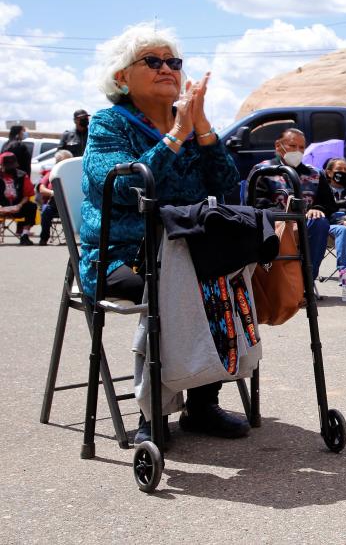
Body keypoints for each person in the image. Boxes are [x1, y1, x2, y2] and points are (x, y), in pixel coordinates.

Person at [81, 22, 246, 444]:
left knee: (224, 275)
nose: (166, 69)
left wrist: (203, 126)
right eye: (152, 61)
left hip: (184, 250)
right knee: (174, 288)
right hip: (120, 255)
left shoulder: (189, 122)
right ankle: (153, 409)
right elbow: (123, 187)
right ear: (122, 77)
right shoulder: (108, 125)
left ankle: (202, 403)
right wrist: (176, 136)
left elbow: (227, 184)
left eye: (173, 62)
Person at [248, 128, 346, 289]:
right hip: (275, 226)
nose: (297, 151)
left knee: (320, 222)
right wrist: (288, 218)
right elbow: (256, 204)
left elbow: (330, 204)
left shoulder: (315, 173)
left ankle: (306, 282)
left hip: (307, 227)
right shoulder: (262, 171)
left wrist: (316, 208)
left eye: (301, 147)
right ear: (278, 146)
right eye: (292, 146)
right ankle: (282, 283)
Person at [37, 149, 73, 245]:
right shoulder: (51, 173)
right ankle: (44, 238)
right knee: (45, 211)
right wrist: (54, 192)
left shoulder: (73, 174)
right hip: (54, 204)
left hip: (71, 203)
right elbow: (42, 189)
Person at [1, 151, 37, 245]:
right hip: (1, 206)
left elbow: (27, 195)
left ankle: (24, 235)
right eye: (7, 166)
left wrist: (20, 205)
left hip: (18, 206)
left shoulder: (22, 175)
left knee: (32, 207)